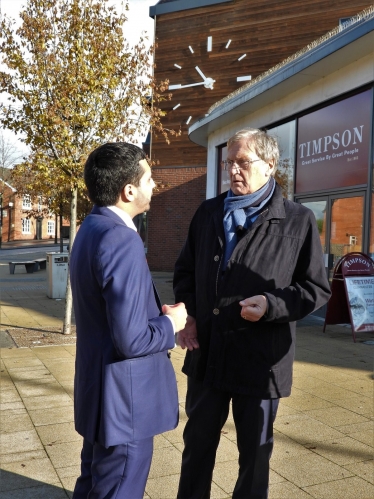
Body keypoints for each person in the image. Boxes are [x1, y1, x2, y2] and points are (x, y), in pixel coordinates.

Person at [173, 128, 331, 499]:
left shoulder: (298, 220)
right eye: (230, 162)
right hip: (207, 355)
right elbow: (184, 272)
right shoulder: (209, 212)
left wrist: (272, 305)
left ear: (270, 165)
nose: (233, 170)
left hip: (259, 363)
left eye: (243, 162)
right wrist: (190, 313)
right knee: (196, 450)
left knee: (255, 458)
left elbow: (315, 288)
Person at [70, 142, 187, 499]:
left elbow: (112, 317)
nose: (156, 185)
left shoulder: (91, 228)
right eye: (149, 178)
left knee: (93, 485)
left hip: (101, 394)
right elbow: (132, 340)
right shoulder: (121, 239)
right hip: (125, 402)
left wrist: (154, 314)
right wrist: (173, 324)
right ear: (128, 190)